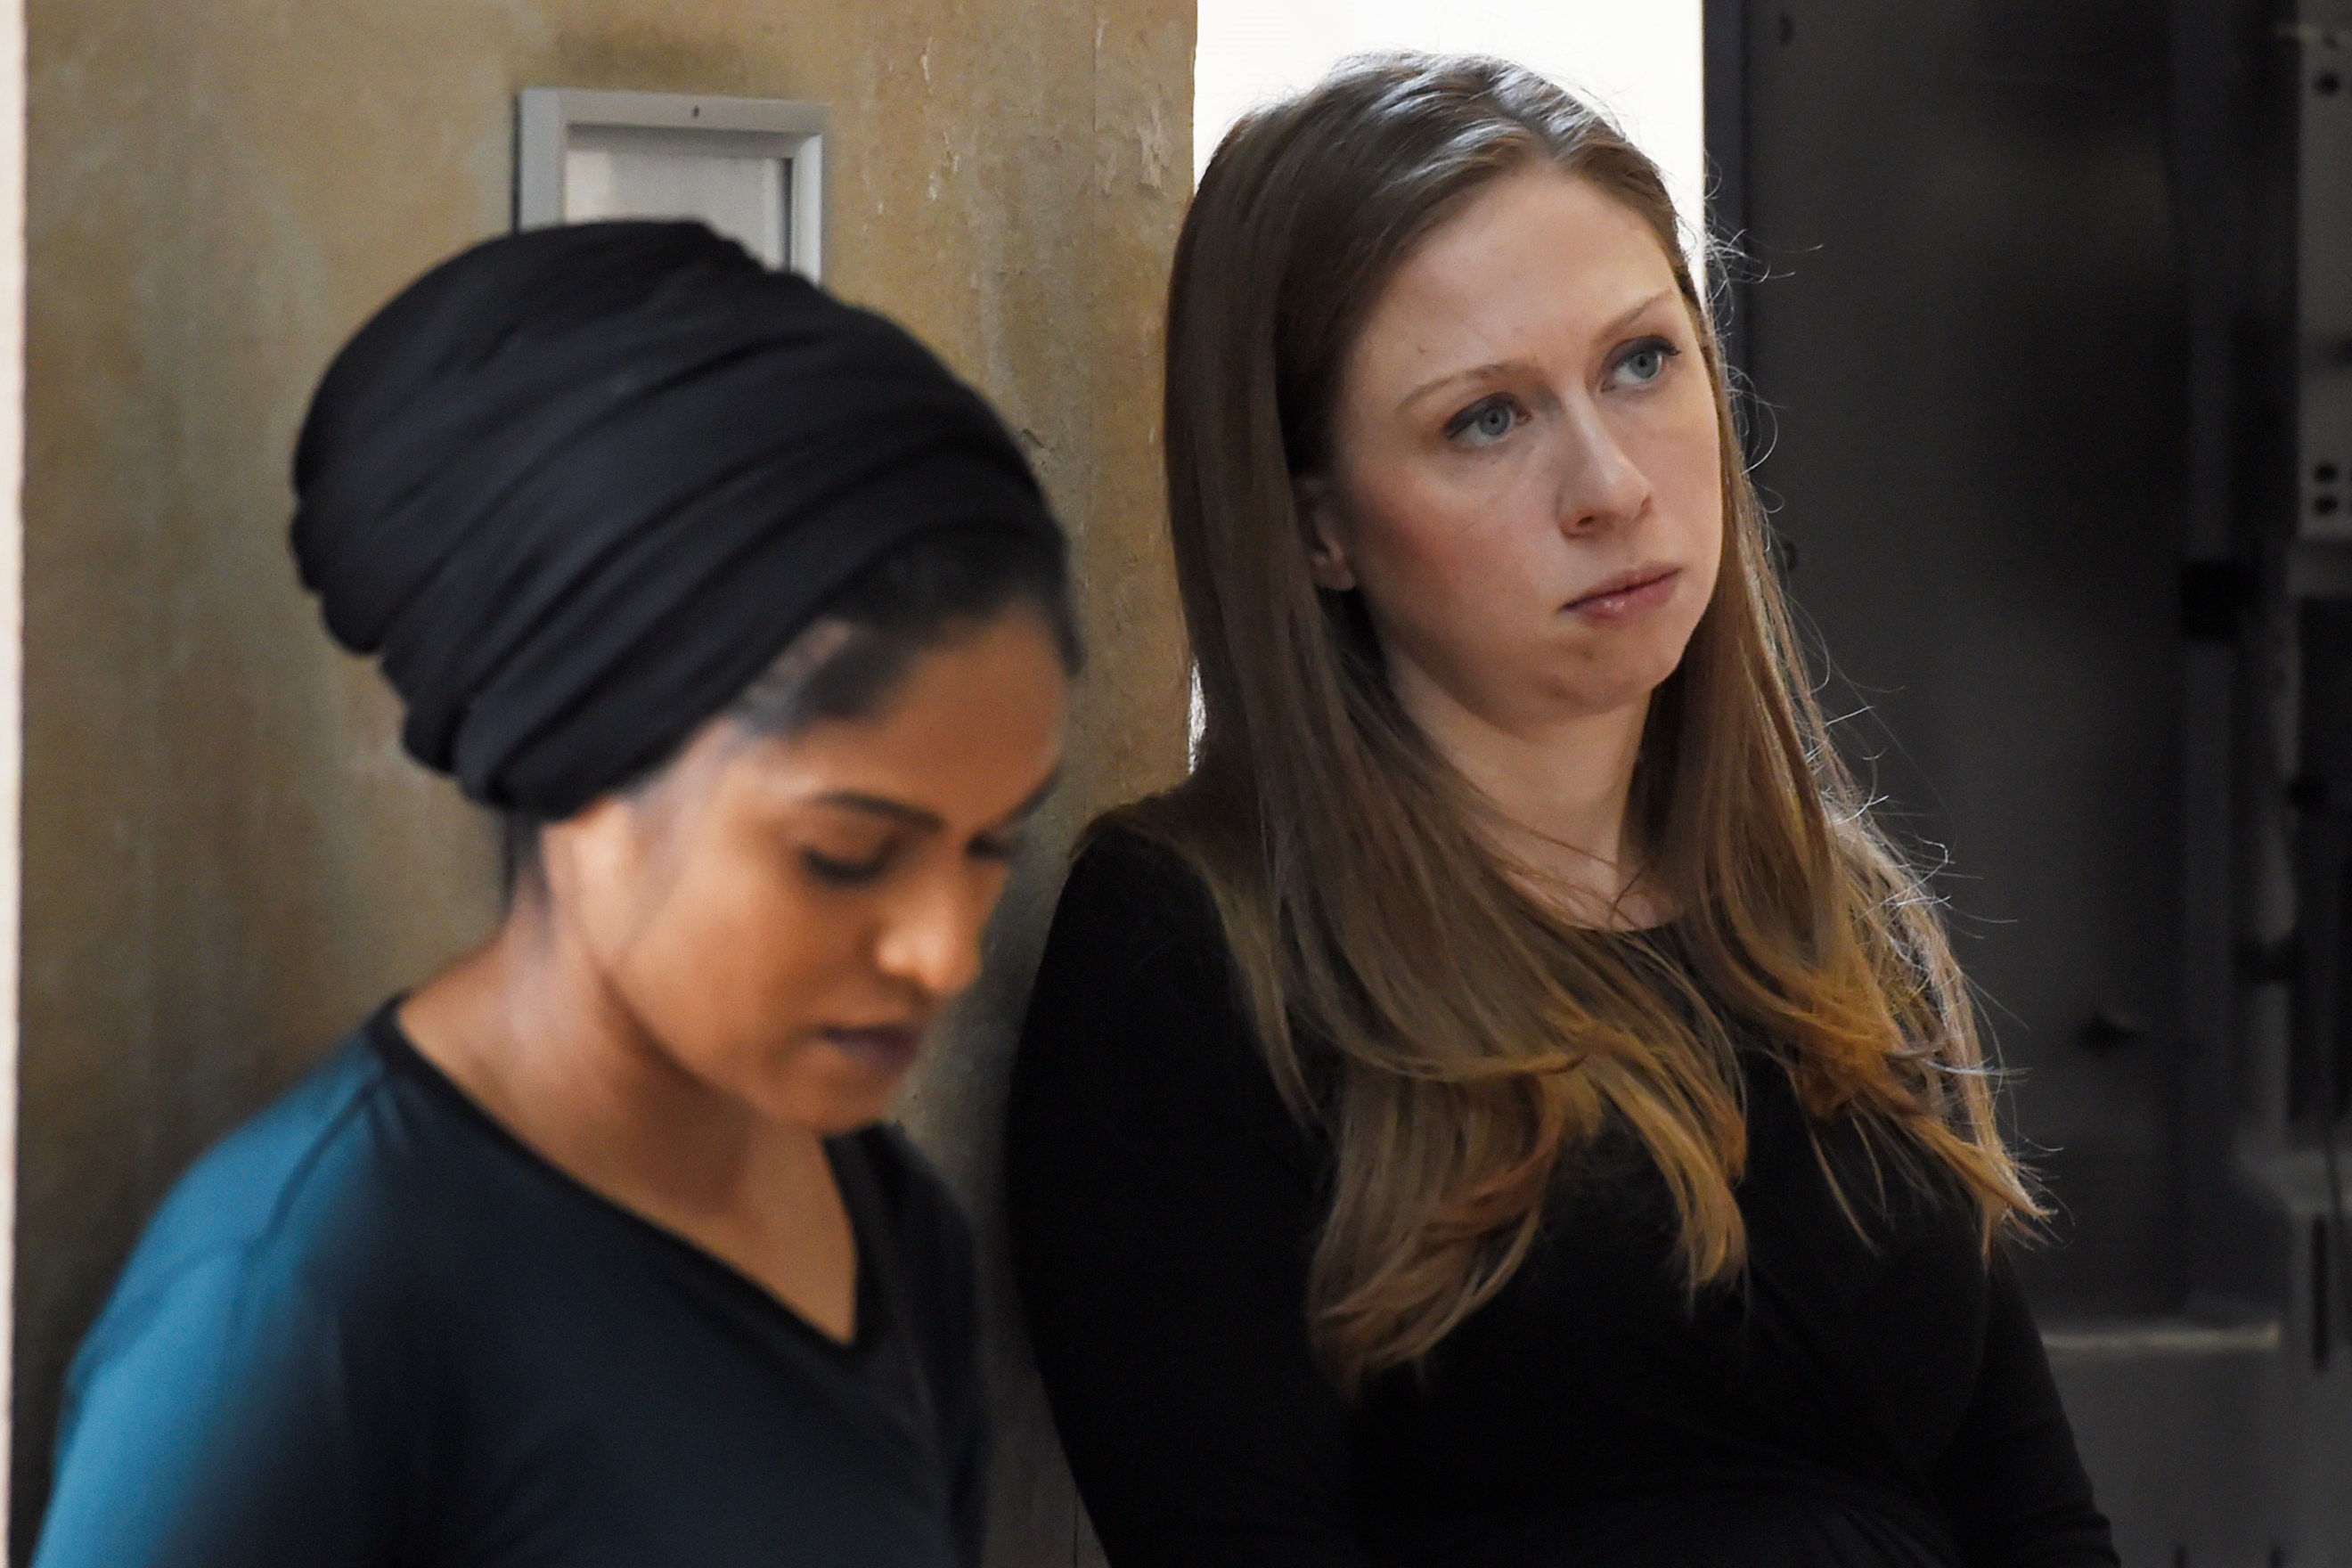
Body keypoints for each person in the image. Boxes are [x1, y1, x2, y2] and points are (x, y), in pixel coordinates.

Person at [1006, 53, 2116, 1568]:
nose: (1610, 485)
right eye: (1485, 420)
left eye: (1642, 362)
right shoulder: (1197, 952)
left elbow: (2036, 1519)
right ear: (1320, 528)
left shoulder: (1823, 912)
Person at [33, 220, 1075, 1568]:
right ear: (583, 773)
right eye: (843, 853)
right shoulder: (299, 1303)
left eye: (993, 845)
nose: (944, 954)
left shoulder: (888, 1222)